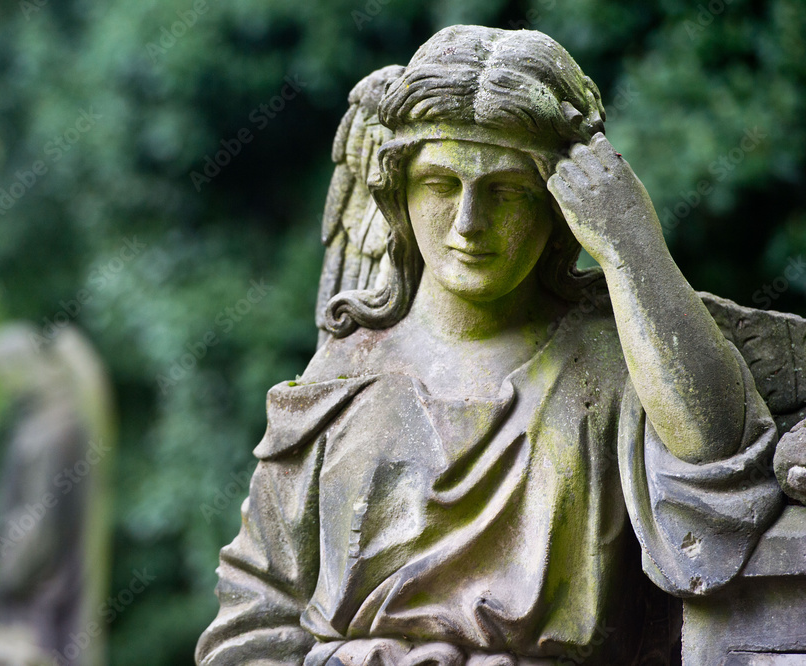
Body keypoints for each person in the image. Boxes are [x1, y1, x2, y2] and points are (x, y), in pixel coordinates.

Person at [197, 26, 782, 665]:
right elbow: (251, 624)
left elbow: (720, 457)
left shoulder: (613, 363)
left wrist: (630, 246)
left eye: (506, 191)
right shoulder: (341, 381)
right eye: (441, 185)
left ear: (559, 209)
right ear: (397, 193)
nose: (469, 223)